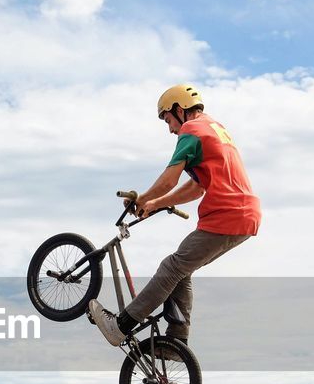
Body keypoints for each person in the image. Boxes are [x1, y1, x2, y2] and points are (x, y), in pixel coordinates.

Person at [89, 84, 260, 347]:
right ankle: (176, 342)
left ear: (179, 110)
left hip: (228, 214)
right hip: (244, 215)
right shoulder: (214, 128)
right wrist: (156, 203)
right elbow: (197, 187)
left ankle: (121, 326)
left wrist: (143, 198)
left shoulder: (192, 129)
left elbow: (170, 180)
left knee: (171, 267)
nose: (170, 129)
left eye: (168, 120)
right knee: (181, 270)